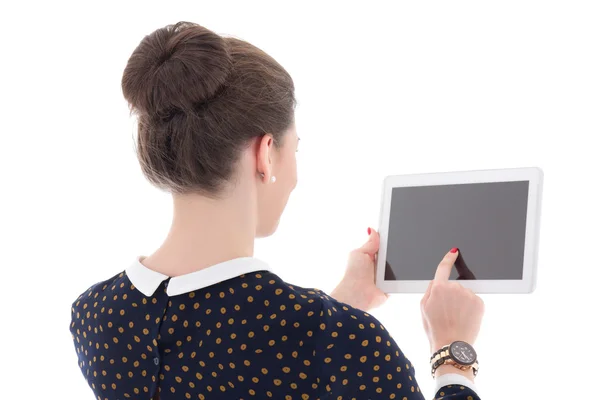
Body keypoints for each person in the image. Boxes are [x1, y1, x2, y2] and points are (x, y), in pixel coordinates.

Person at [69, 21, 484, 400]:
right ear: (265, 153)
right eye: (295, 149)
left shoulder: (96, 316)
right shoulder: (343, 344)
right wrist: (453, 356)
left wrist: (342, 302)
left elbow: (237, 352)